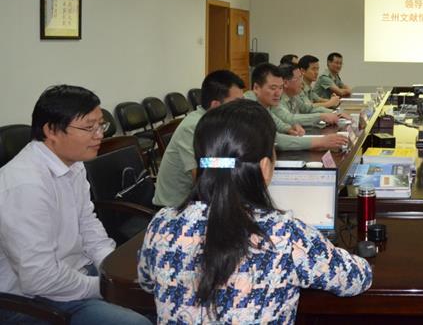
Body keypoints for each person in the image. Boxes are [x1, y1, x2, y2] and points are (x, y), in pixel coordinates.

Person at [138, 99, 372, 323]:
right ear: (265, 167)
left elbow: (147, 282)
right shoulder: (284, 234)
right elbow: (357, 278)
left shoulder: (162, 223)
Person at [0, 85, 151, 325]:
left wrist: (111, 268)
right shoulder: (24, 185)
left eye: (100, 125)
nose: (99, 135)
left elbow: (87, 223)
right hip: (33, 299)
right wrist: (105, 287)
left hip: (76, 272)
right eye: (89, 127)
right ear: (51, 130)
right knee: (139, 322)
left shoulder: (72, 162)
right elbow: (40, 278)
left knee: (156, 293)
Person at [153, 70, 245, 207]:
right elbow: (203, 174)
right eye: (237, 103)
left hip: (200, 198)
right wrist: (239, 164)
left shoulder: (218, 122)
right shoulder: (193, 127)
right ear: (216, 106)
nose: (242, 109)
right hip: (176, 207)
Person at [246, 62, 348, 152]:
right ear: (256, 88)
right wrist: (320, 141)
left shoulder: (264, 103)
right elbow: (275, 138)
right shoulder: (249, 106)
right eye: (273, 88)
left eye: (280, 88)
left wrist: (289, 128)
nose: (278, 93)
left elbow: (275, 121)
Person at [274, 63, 347, 128]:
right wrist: (321, 116)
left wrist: (335, 113)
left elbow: (308, 109)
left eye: (301, 77)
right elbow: (290, 119)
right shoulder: (276, 99)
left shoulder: (293, 95)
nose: (302, 82)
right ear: (285, 83)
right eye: (298, 78)